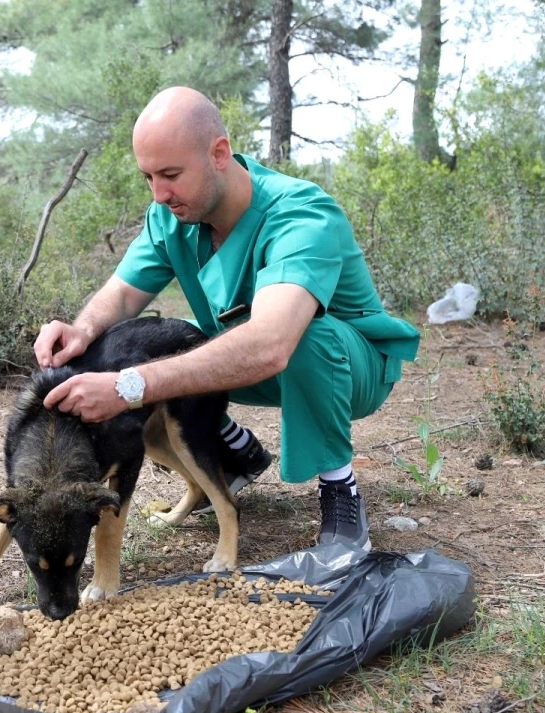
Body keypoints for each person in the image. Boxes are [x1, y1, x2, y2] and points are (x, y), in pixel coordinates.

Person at [34, 86, 419, 551]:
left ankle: (340, 492)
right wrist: (81, 329)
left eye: (171, 174)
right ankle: (234, 451)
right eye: (148, 177)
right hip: (254, 361)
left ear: (219, 153)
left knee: (306, 338)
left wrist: (127, 386)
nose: (159, 195)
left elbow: (271, 345)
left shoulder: (300, 214)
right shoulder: (172, 217)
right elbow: (120, 293)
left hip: (348, 369)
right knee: (164, 341)